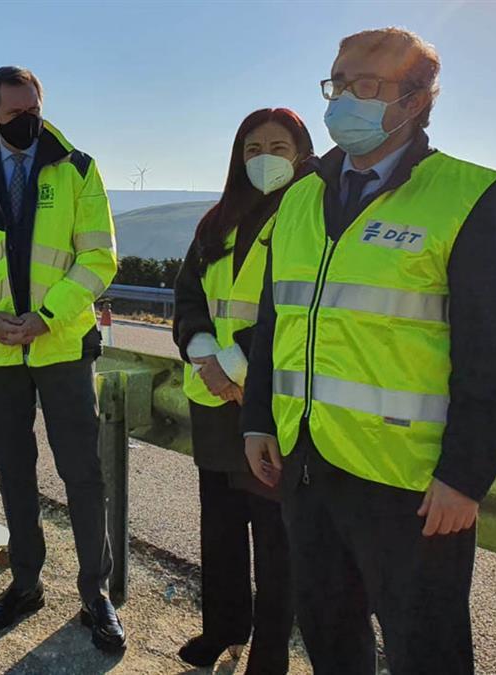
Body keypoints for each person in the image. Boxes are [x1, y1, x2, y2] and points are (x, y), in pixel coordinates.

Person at [241, 28, 496, 675]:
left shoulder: (470, 198)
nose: (344, 98)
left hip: (413, 486)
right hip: (308, 466)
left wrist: (465, 475)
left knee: (426, 651)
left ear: (416, 100)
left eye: (365, 85)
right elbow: (275, 319)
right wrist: (258, 415)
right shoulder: (298, 199)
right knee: (330, 641)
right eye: (337, 83)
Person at [0, 66, 124, 652]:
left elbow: (99, 258)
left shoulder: (79, 169)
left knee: (82, 475)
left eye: (34, 106)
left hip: (61, 346)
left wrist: (46, 317)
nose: (29, 120)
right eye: (15, 113)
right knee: (14, 474)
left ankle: (96, 595)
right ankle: (26, 583)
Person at [172, 108, 315, 674]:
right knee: (221, 528)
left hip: (272, 399)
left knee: (275, 542)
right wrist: (206, 356)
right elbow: (188, 295)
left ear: (302, 152)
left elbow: (300, 306)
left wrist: (234, 364)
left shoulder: (314, 214)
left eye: (279, 147)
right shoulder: (217, 221)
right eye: (253, 148)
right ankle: (224, 628)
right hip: (215, 400)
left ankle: (270, 654)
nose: (264, 159)